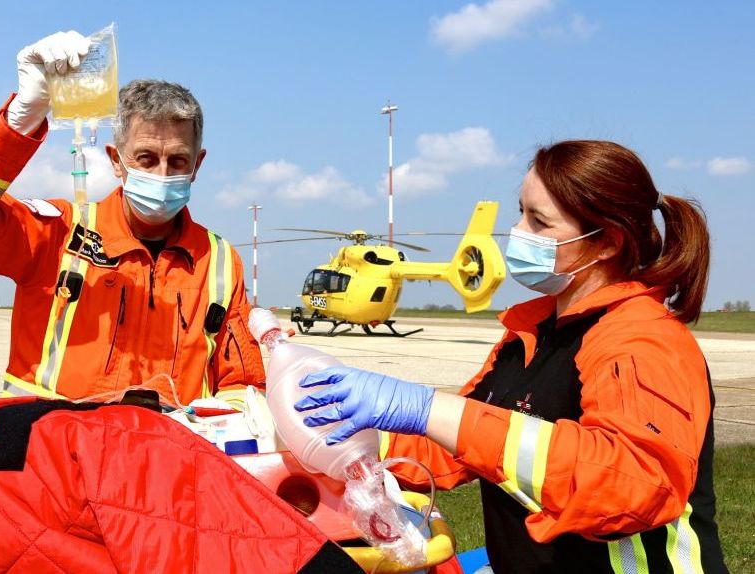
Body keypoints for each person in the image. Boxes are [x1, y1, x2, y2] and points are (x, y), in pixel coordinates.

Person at [295, 140, 727, 573]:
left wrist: (430, 409)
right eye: (521, 212)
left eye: (539, 221)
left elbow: (630, 484)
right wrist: (344, 434)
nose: (517, 232)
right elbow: (456, 446)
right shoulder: (529, 335)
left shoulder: (643, 341)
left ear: (606, 244)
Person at [0, 31, 264, 407]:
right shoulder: (59, 232)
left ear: (197, 165)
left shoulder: (221, 263)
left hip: (168, 445)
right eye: (146, 158)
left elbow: (242, 386)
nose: (162, 173)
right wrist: (21, 119)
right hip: (54, 442)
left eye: (178, 161)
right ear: (116, 160)